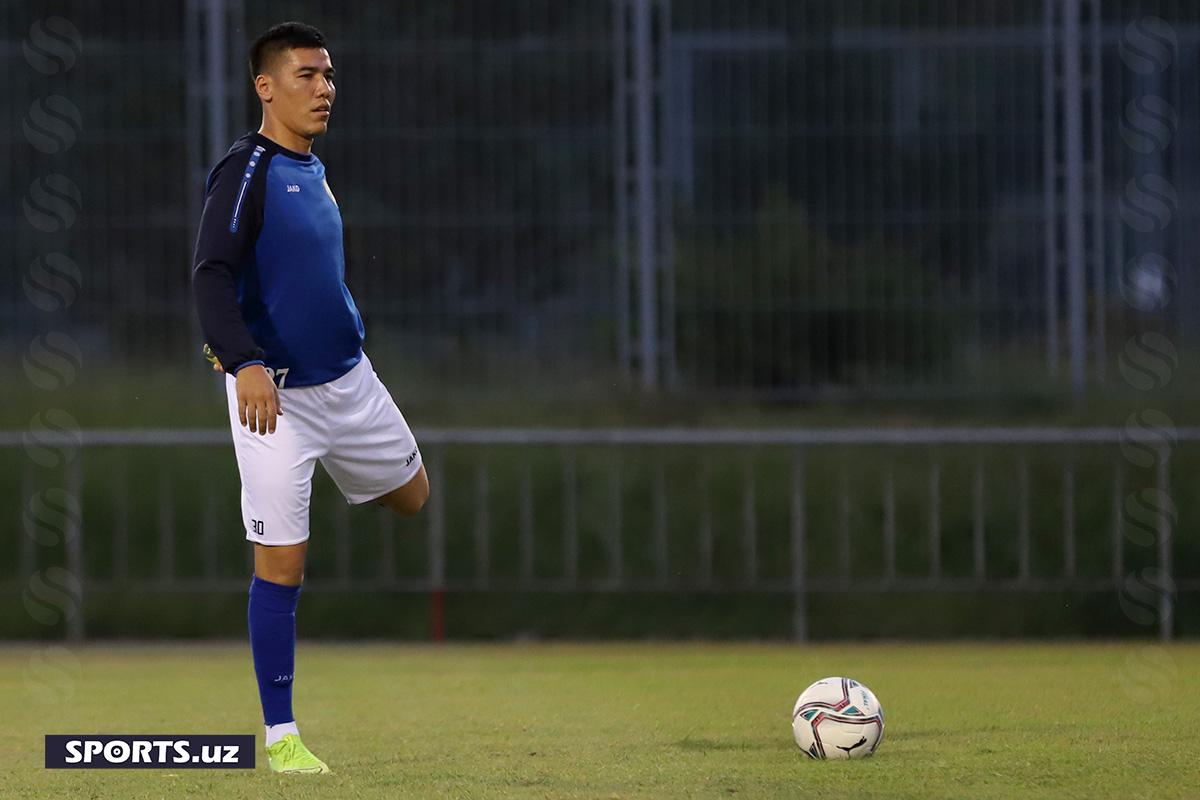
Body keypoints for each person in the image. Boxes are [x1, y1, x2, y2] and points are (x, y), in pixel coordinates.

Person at [191, 21, 429, 774]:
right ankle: (282, 739)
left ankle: (322, 477)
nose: (324, 88)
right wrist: (242, 359)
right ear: (266, 86)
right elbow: (210, 273)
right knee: (281, 566)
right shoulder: (246, 170)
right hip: (275, 399)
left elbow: (305, 276)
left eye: (328, 75)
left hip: (351, 383)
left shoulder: (314, 168)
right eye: (306, 75)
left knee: (414, 497)